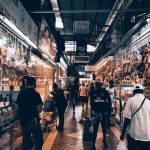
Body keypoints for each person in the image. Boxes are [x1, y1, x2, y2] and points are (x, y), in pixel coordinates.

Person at [120, 84, 150, 150]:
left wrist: (123, 133)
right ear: (143, 91)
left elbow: (127, 119)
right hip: (146, 135)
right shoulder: (148, 102)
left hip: (133, 134)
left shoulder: (130, 101)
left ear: (133, 92)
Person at [16, 77, 43, 150]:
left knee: (26, 141)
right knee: (38, 139)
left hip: (24, 121)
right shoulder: (36, 94)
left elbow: (17, 108)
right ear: (34, 84)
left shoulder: (20, 94)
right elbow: (39, 109)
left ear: (26, 83)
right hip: (33, 121)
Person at [91, 82, 112, 150]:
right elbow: (109, 102)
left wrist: (92, 112)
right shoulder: (105, 92)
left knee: (95, 129)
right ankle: (104, 140)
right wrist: (109, 112)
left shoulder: (93, 92)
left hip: (97, 112)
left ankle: (93, 144)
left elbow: (92, 103)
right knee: (103, 128)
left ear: (95, 86)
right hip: (103, 112)